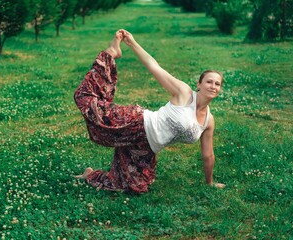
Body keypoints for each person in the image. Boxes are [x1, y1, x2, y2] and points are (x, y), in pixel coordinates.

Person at [74, 29, 225, 193]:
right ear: (199, 84)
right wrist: (132, 43)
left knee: (132, 187)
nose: (213, 86)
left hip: (147, 147)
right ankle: (111, 53)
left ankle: (89, 174)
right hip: (136, 123)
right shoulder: (185, 93)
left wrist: (209, 182)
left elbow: (208, 156)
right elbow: (154, 66)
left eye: (217, 84)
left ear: (220, 89)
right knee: (87, 102)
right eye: (209, 82)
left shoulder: (208, 121)